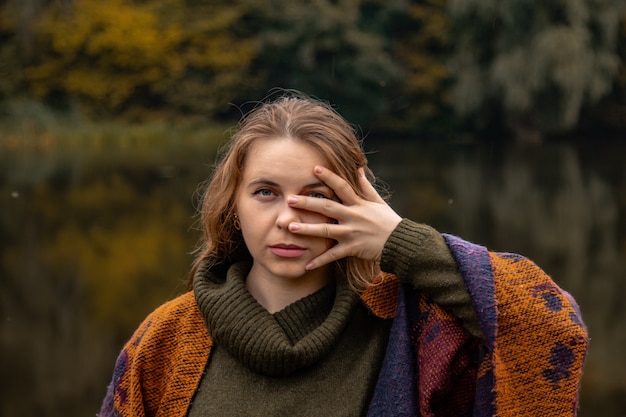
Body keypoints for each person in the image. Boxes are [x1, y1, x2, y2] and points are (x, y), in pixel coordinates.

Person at [98, 93, 588, 417]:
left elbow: (551, 330)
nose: (291, 220)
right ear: (232, 205)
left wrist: (401, 242)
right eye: (266, 193)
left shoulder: (407, 324)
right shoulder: (166, 341)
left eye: (318, 196)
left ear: (358, 205)